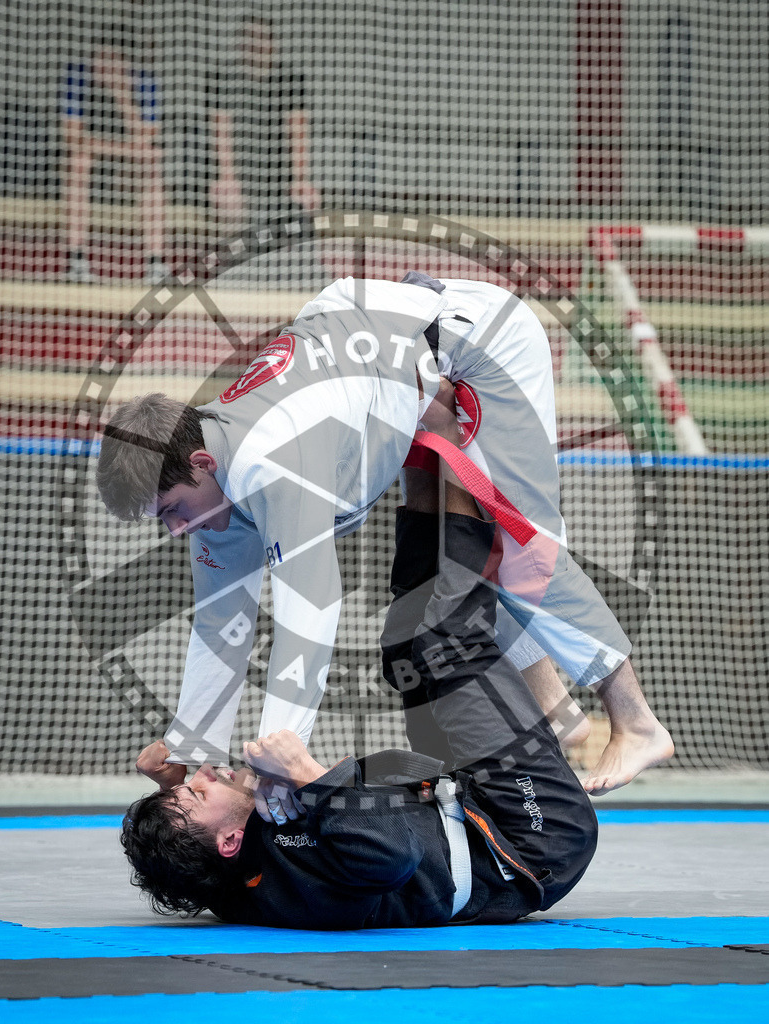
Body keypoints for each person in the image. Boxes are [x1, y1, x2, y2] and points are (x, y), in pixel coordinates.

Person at [97, 273, 673, 799]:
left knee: (521, 542)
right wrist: (191, 744)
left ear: (200, 462)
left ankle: (638, 722)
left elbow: (310, 618)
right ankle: (555, 712)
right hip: (383, 347)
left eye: (172, 510)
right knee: (462, 558)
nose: (176, 530)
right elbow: (222, 622)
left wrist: (281, 754)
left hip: (480, 340)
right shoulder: (210, 474)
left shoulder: (271, 462)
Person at [120, 473, 599, 928]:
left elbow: (195, 859)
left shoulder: (223, 870)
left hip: (463, 798)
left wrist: (171, 789)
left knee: (408, 648)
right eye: (201, 791)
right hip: (530, 838)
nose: (207, 772)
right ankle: (454, 450)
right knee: (448, 643)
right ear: (229, 842)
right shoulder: (297, 892)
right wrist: (310, 774)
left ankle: (423, 459)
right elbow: (394, 856)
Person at [61, 20, 171, 284]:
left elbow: (149, 140)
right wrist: (115, 148)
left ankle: (155, 264)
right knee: (77, 161)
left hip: (127, 165)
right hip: (95, 161)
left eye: (114, 61)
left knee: (153, 167)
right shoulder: (79, 77)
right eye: (102, 59)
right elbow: (72, 139)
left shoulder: (144, 82)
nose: (106, 67)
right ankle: (76, 260)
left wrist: (121, 94)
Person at [208, 12, 320, 225]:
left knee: (304, 203)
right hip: (239, 170)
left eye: (261, 37)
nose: (256, 44)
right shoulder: (225, 79)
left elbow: (298, 128)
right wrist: (227, 177)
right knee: (226, 201)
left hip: (279, 172)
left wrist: (300, 179)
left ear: (271, 42)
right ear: (242, 44)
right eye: (251, 37)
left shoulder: (289, 80)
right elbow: (220, 127)